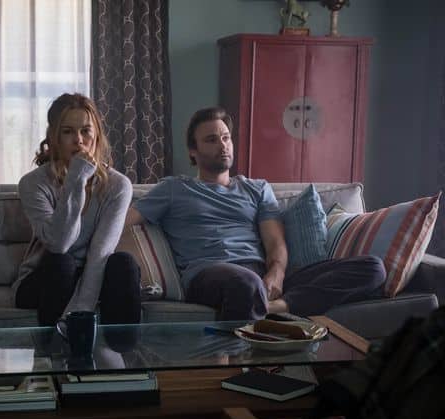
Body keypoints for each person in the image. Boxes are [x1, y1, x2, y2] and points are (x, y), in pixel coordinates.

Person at [125, 107, 386, 320]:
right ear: (193, 151)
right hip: (209, 274)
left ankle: (276, 307)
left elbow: (275, 242)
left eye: (226, 137)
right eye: (211, 140)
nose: (222, 145)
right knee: (245, 283)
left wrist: (276, 274)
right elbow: (123, 221)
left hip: (260, 275)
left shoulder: (257, 189)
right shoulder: (174, 189)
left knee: (373, 268)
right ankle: (241, 350)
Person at [13, 93, 141, 326]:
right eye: (67, 131)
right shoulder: (33, 183)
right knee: (62, 263)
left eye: (85, 131)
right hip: (45, 276)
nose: (78, 140)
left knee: (124, 264)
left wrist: (80, 313)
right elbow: (59, 244)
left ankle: (125, 349)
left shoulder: (118, 186)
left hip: (93, 273)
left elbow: (101, 253)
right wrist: (76, 180)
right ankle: (54, 347)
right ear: (54, 137)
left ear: (97, 135)